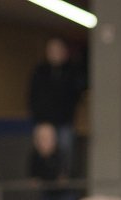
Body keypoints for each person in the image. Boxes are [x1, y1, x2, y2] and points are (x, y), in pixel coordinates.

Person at [28, 36, 87, 177]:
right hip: (43, 120)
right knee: (42, 155)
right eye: (51, 50)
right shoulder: (40, 71)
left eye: (58, 49)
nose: (54, 53)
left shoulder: (72, 71)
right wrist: (39, 119)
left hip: (64, 121)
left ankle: (65, 183)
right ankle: (44, 186)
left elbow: (76, 95)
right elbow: (32, 96)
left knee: (66, 154)